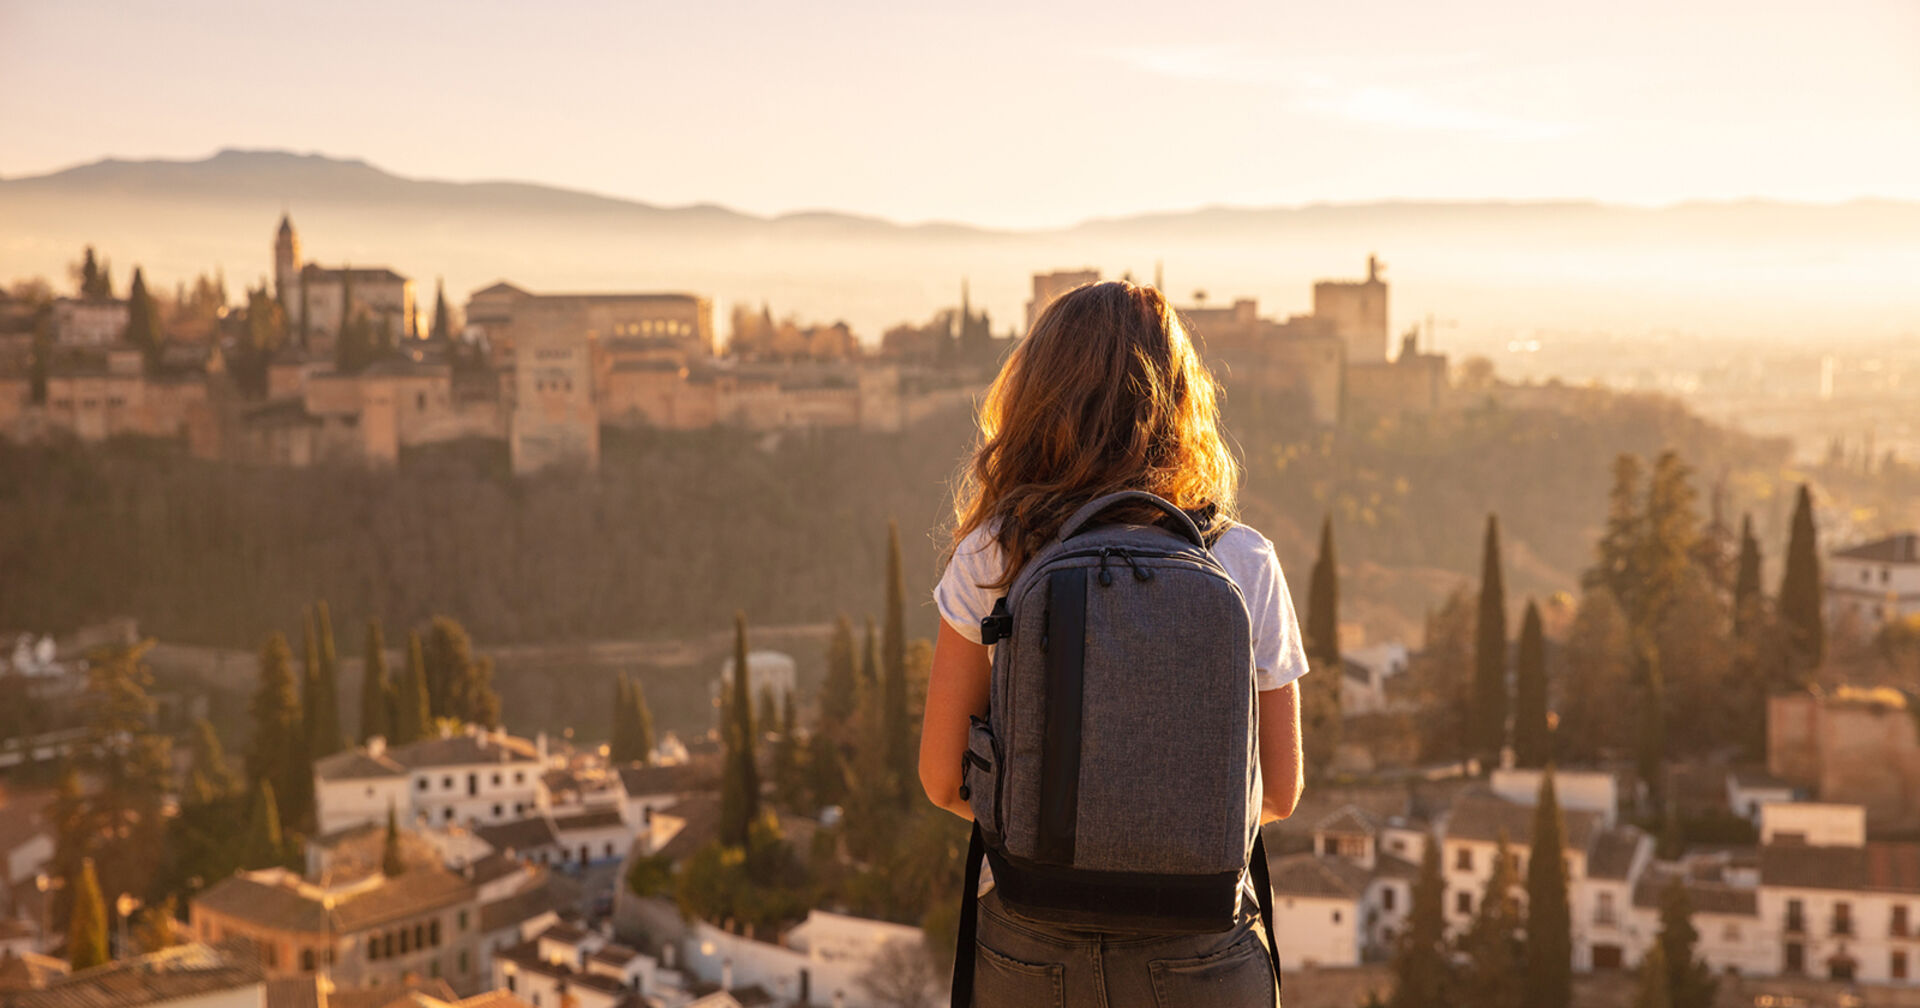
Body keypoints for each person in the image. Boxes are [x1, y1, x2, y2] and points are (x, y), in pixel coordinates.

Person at [919, 279, 1308, 1007]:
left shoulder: (992, 553)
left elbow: (943, 778)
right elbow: (1278, 793)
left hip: (1030, 936)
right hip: (1201, 946)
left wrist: (1055, 829)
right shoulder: (1243, 560)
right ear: (1181, 401)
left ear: (1037, 396)